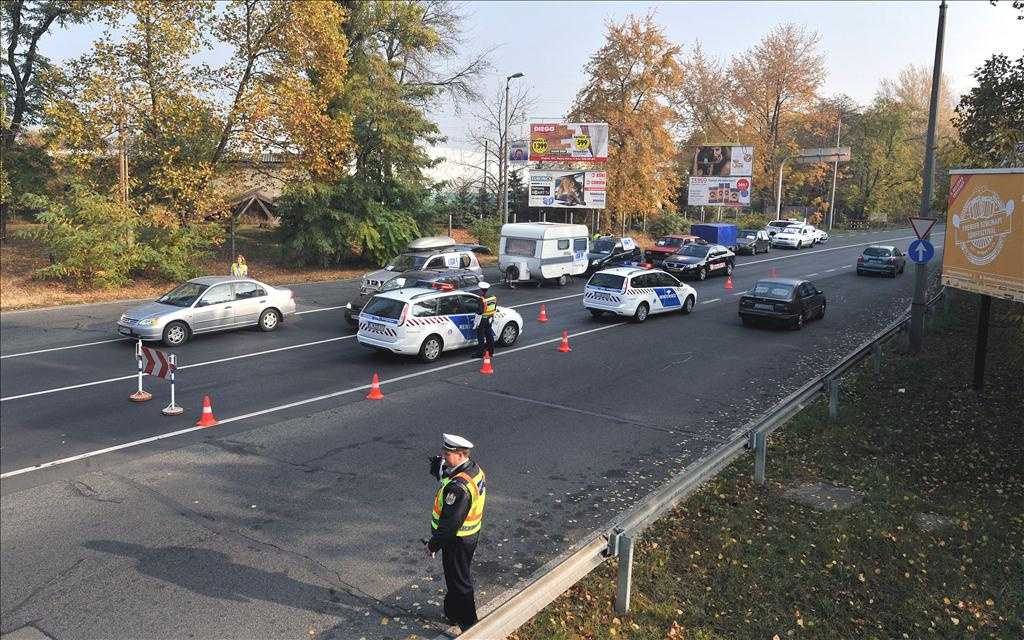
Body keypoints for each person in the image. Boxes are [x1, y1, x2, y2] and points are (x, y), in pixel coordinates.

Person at [425, 433, 486, 632]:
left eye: (447, 453)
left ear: (460, 455)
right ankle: (452, 614)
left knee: (461, 582)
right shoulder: (474, 470)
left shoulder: (458, 488)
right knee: (454, 577)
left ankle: (471, 627)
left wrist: (433, 544)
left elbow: (450, 526)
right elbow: (451, 479)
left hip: (458, 540)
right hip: (469, 535)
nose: (443, 456)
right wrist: (443, 472)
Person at [474, 281, 496, 359]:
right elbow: (494, 308)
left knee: (481, 337)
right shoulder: (493, 297)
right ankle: (491, 352)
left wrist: (476, 322)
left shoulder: (481, 299)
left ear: (481, 289)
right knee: (489, 335)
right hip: (490, 318)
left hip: (482, 319)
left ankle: (480, 354)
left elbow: (479, 311)